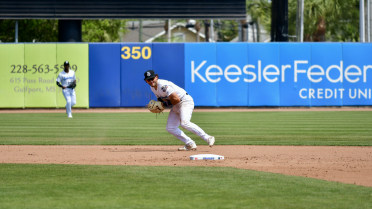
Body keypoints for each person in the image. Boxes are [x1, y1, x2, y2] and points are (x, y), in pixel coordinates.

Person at [144, 70, 215, 151]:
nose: (151, 81)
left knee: (185, 123)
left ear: (156, 77)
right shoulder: (152, 87)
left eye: (152, 78)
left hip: (185, 101)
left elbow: (176, 99)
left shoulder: (163, 85)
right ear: (146, 81)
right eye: (148, 80)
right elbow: (161, 100)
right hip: (176, 105)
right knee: (170, 128)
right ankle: (190, 143)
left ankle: (208, 137)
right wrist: (158, 105)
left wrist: (164, 105)